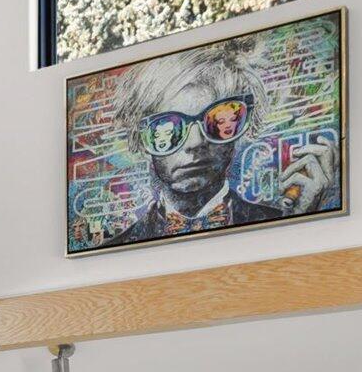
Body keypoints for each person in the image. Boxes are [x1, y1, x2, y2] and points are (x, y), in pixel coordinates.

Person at [106, 49, 338, 245]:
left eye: (220, 121)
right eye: (168, 129)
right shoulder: (116, 249)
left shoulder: (285, 219)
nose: (196, 142)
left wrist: (304, 219)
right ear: (142, 140)